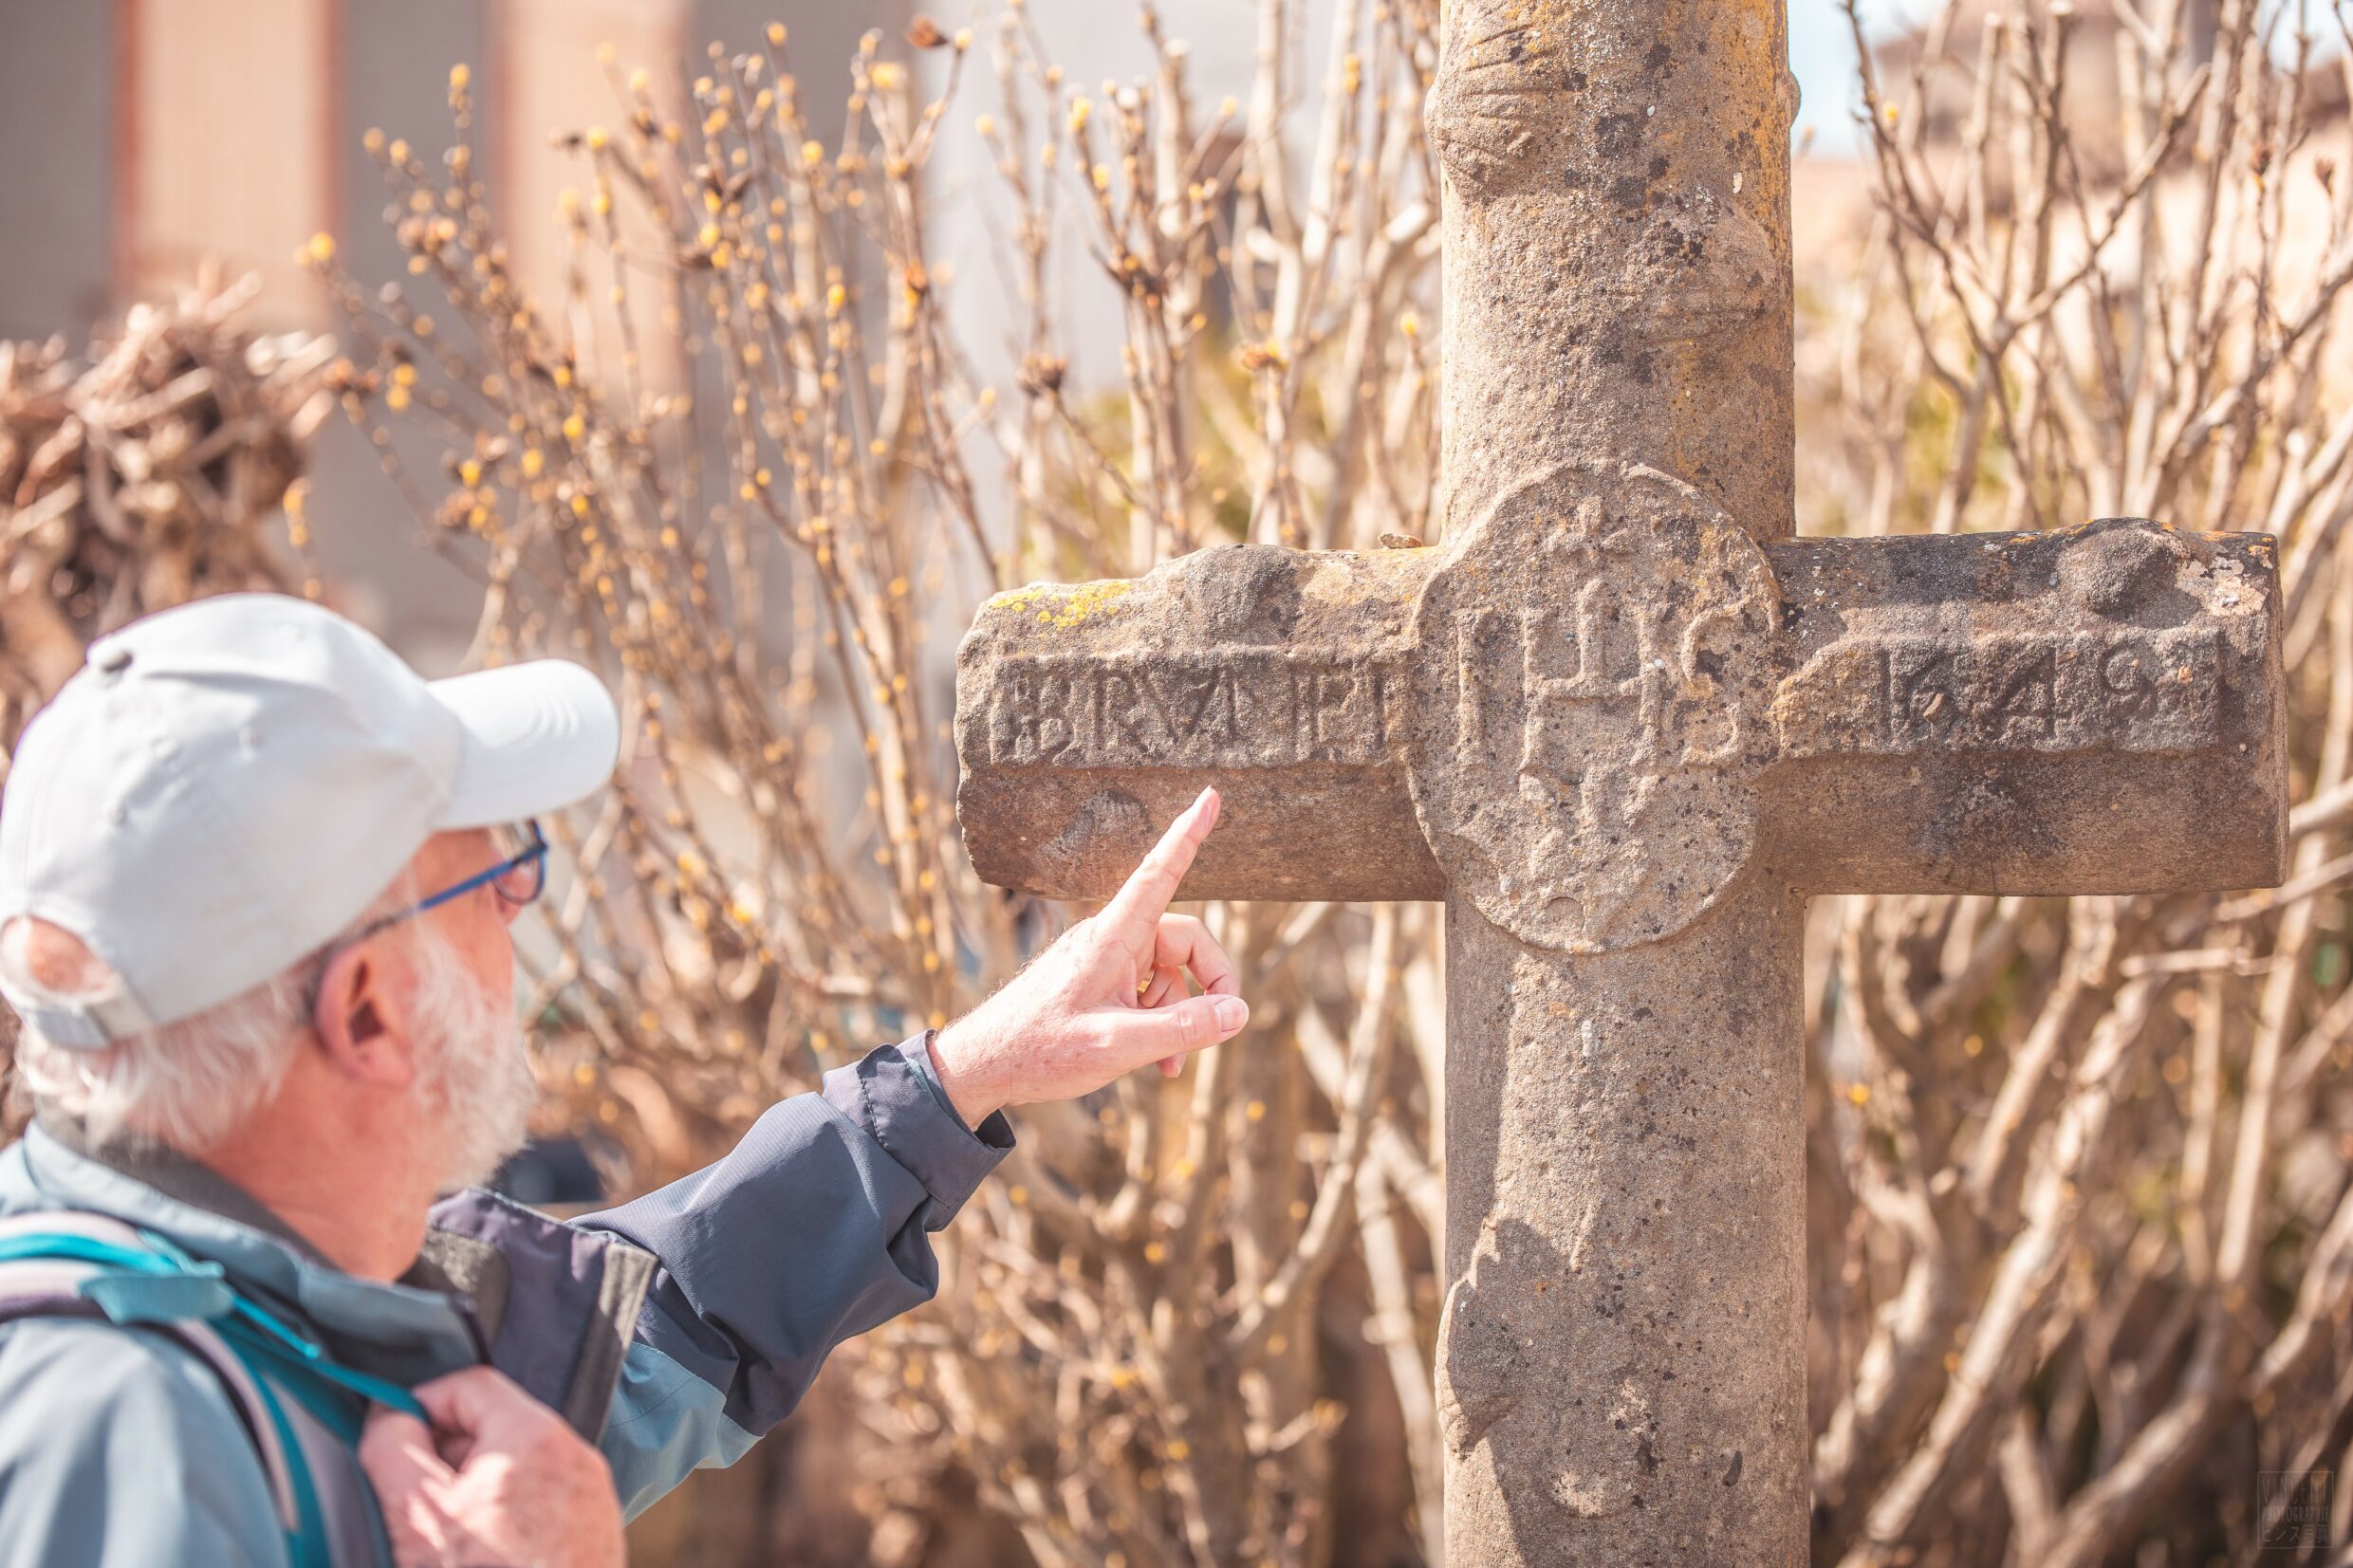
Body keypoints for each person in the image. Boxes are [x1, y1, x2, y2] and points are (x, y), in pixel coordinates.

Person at [0, 593, 1250, 1566]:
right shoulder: (119, 1439)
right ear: (367, 1008)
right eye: (495, 865)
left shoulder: (300, 1290)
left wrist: (966, 1067)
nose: (515, 900)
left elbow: (649, 1326)